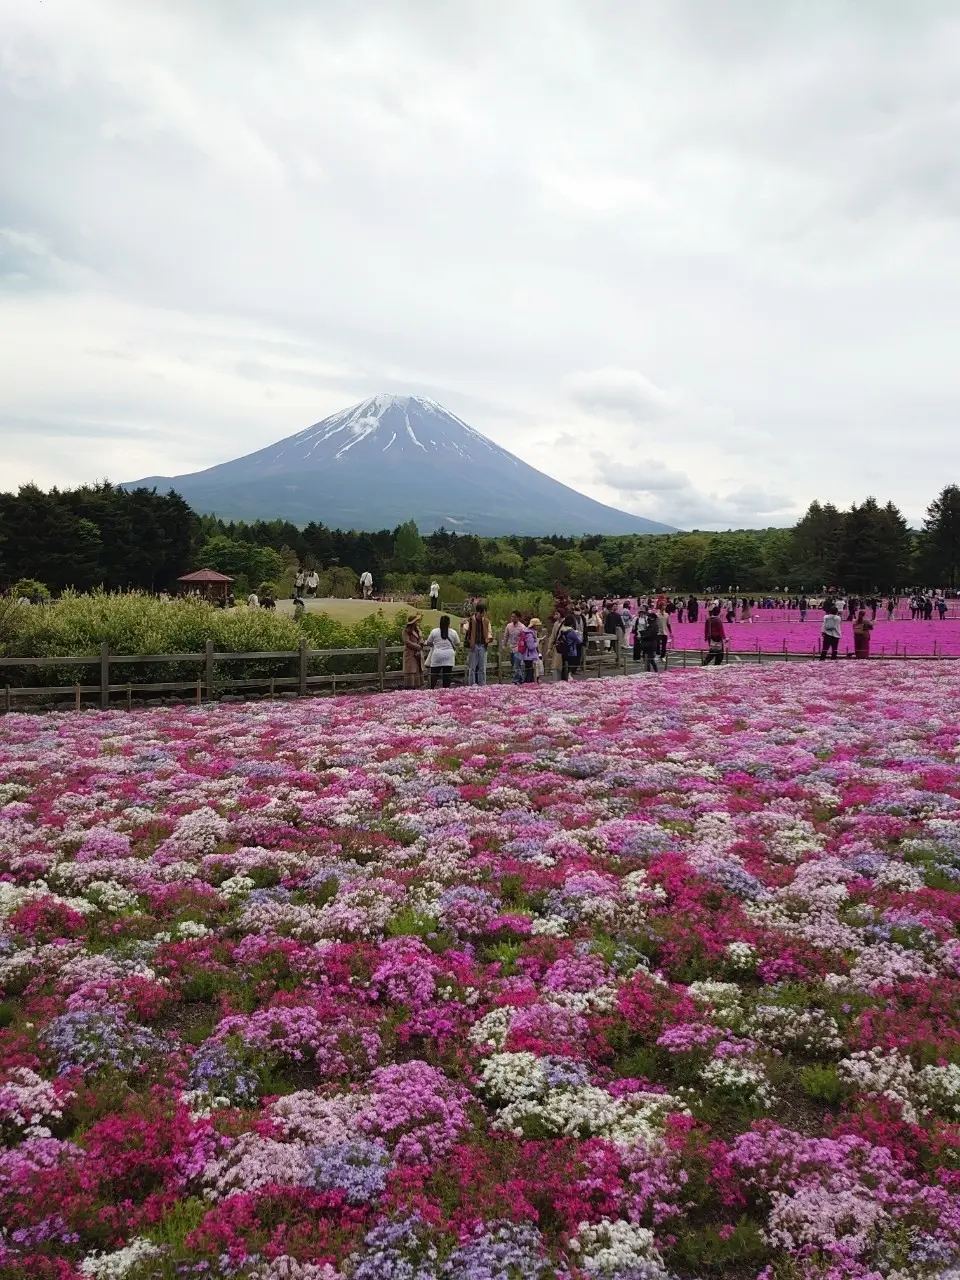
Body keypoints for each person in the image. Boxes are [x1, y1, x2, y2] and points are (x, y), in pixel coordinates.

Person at [424, 615, 460, 688]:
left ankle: (431, 688)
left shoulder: (434, 631)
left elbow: (429, 643)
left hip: (437, 654)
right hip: (449, 655)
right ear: (449, 623)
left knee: (434, 674)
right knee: (447, 675)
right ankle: (445, 690)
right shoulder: (453, 632)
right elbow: (458, 643)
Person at [464, 603, 492, 686]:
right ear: (478, 612)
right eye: (482, 612)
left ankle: (482, 683)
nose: (483, 614)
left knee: (482, 667)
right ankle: (472, 683)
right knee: (472, 667)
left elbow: (489, 632)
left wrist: (489, 638)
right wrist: (462, 625)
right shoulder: (470, 620)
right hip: (474, 645)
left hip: (483, 645)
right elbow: (465, 630)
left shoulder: (486, 621)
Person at [555, 613, 584, 680]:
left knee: (564, 665)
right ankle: (568, 677)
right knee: (570, 666)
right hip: (571, 650)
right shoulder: (571, 631)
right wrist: (580, 635)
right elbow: (579, 641)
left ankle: (563, 677)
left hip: (563, 649)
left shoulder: (562, 629)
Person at [503, 611, 525, 685]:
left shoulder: (522, 627)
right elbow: (506, 636)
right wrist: (504, 645)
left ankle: (515, 681)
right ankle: (521, 679)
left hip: (518, 648)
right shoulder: (509, 626)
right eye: (512, 616)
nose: (512, 618)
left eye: (514, 617)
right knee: (513, 664)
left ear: (518, 618)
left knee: (516, 665)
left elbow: (524, 638)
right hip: (511, 648)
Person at [402, 613, 424, 688]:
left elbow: (421, 639)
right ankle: (410, 686)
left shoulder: (418, 630)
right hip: (410, 653)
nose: (418, 622)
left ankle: (418, 686)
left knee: (418, 669)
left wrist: (421, 643)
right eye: (417, 620)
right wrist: (417, 646)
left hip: (417, 654)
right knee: (411, 669)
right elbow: (407, 642)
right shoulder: (406, 631)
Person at [518, 615, 541, 684]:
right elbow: (531, 647)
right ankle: (527, 685)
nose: (539, 626)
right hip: (529, 657)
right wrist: (537, 642)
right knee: (529, 674)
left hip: (529, 656)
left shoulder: (530, 633)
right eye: (537, 625)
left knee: (530, 673)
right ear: (534, 626)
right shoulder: (530, 635)